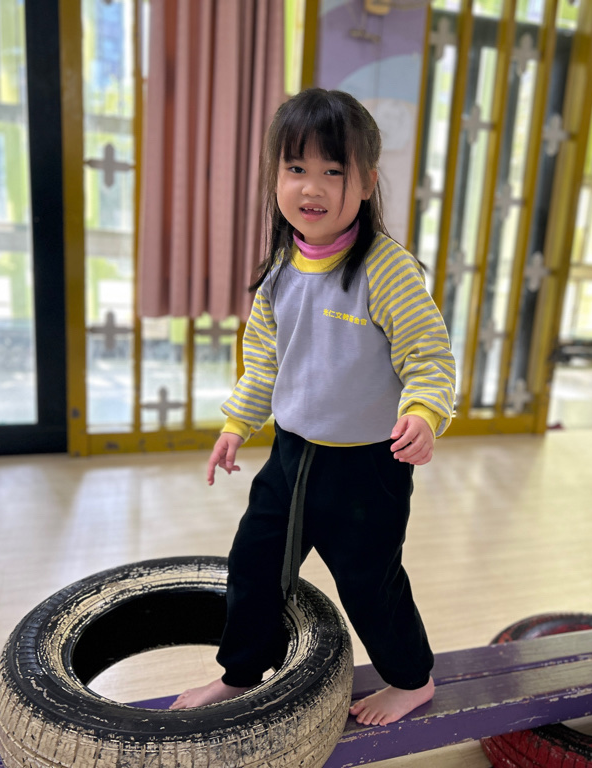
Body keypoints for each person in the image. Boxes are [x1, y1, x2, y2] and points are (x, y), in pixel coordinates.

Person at [170, 88, 456, 726]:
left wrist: (423, 413)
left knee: (368, 581)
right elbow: (264, 362)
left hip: (368, 467)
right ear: (275, 176)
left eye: (333, 170)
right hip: (292, 457)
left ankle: (412, 680)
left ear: (367, 183)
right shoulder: (280, 269)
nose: (312, 187)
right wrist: (237, 424)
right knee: (254, 564)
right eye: (296, 167)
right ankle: (241, 674)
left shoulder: (386, 269)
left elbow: (429, 356)